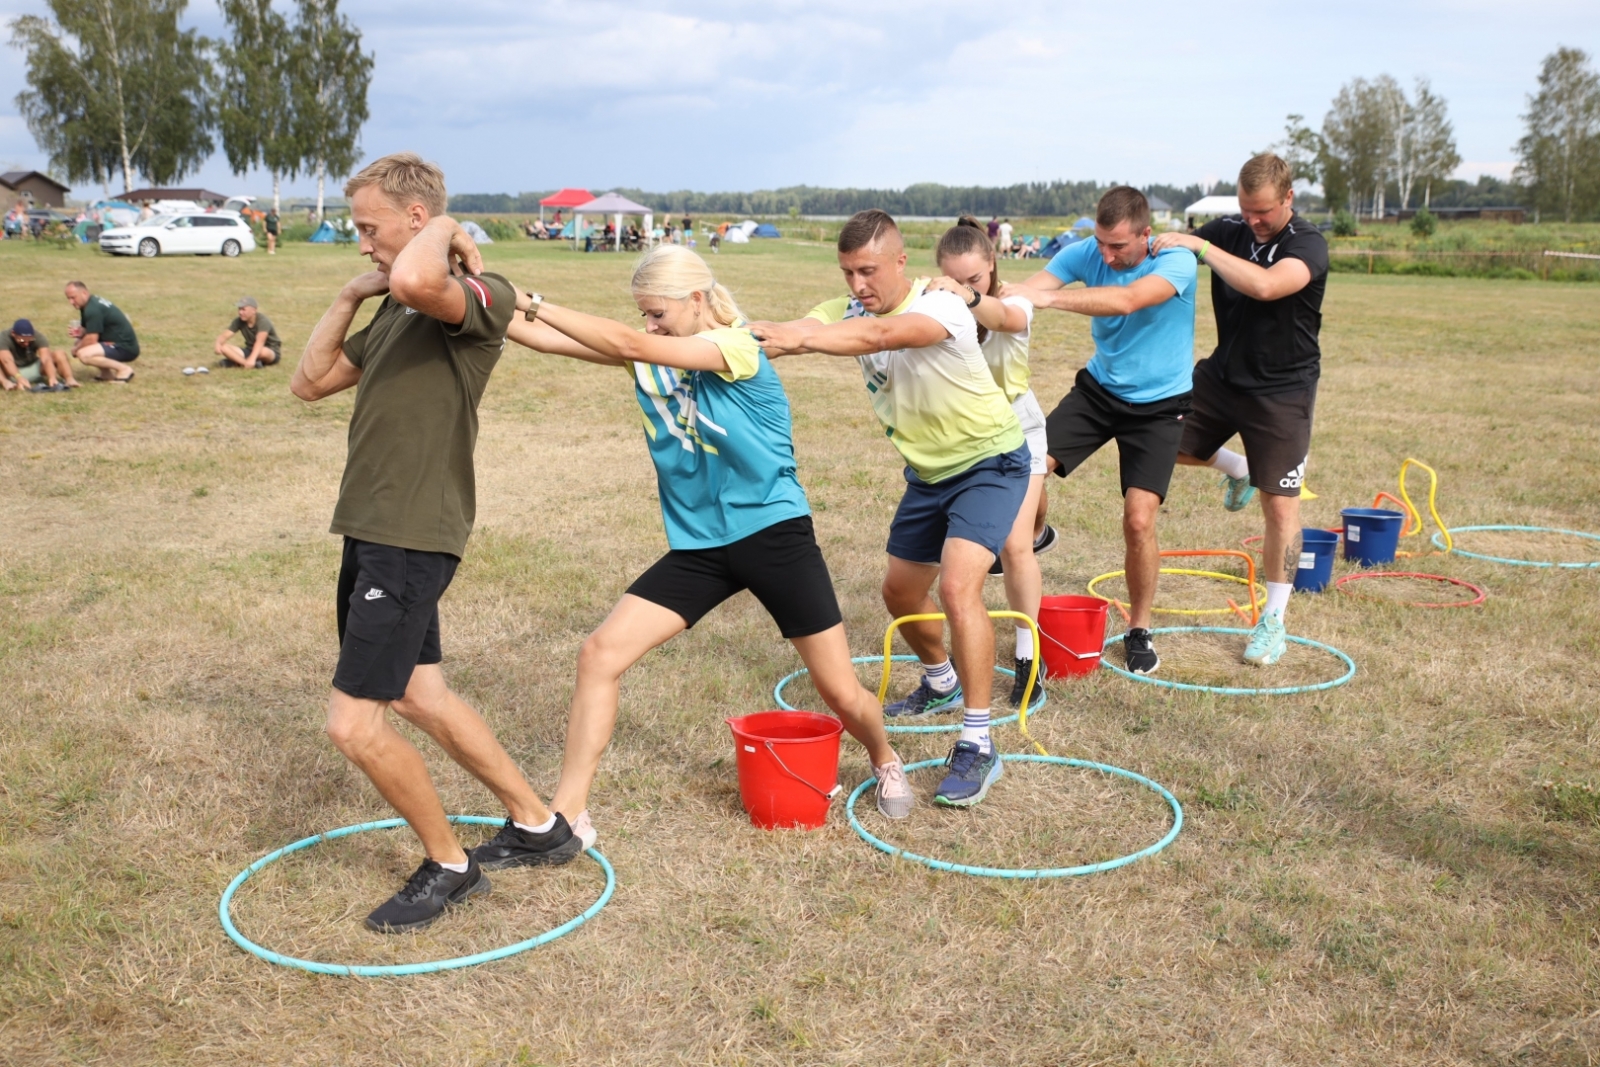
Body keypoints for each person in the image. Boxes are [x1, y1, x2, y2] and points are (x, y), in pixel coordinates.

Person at [504, 246, 913, 842]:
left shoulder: (738, 347)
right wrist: (469, 298)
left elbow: (628, 344)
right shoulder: (651, 355)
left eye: (659, 313)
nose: (650, 325)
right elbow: (541, 339)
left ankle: (884, 758)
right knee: (599, 655)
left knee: (839, 690)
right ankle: (569, 813)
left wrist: (531, 299)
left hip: (774, 534)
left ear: (696, 300)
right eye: (642, 315)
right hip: (700, 546)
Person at [289, 152, 579, 934]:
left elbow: (423, 280)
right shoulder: (389, 307)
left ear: (415, 220)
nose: (361, 243)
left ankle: (451, 864)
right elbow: (309, 381)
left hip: (411, 535)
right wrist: (352, 293)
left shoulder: (475, 294)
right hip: (375, 526)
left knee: (353, 723)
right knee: (421, 694)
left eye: (368, 228)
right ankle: (537, 824)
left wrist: (450, 225)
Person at [750, 210, 1029, 809]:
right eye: (848, 272)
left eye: (869, 271)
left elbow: (879, 337)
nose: (857, 286)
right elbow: (805, 325)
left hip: (990, 463)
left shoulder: (941, 306)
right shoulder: (847, 309)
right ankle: (941, 682)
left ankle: (978, 743)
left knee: (958, 590)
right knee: (901, 594)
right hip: (928, 474)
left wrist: (799, 339)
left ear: (902, 262)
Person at [1001, 186, 1197, 675]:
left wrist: (1047, 299)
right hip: (1099, 392)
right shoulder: (1085, 251)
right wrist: (972, 295)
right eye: (1101, 243)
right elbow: (1022, 292)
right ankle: (1039, 532)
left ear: (1145, 235)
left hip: (1159, 405)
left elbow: (1128, 300)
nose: (1106, 255)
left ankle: (1139, 629)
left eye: (1119, 247)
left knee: (1138, 519)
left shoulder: (1175, 261)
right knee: (1028, 465)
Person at [1152, 153, 1329, 666]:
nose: (1253, 221)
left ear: (1288, 199)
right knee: (1156, 441)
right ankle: (1238, 467)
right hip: (1222, 376)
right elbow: (1162, 252)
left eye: (1264, 213)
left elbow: (1267, 285)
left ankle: (1273, 619)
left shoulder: (1306, 244)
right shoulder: (1229, 228)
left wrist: (1202, 247)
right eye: (1246, 210)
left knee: (1280, 508)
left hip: (1284, 391)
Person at [928, 220, 1056, 707]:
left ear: (992, 267)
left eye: (974, 279)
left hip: (1020, 434)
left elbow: (1009, 320)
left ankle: (1029, 651)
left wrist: (969, 298)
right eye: (955, 279)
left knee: (1014, 546)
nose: (964, 287)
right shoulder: (937, 305)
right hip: (968, 442)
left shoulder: (1012, 301)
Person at [64, 282, 139, 383]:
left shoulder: (92, 309)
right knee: (79, 342)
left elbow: (91, 339)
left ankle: (124, 370)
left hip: (125, 347)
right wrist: (81, 333)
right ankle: (106, 374)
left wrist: (76, 349)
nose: (71, 302)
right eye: (68, 298)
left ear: (84, 293)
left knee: (83, 354)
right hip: (115, 341)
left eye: (73, 298)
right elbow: (91, 330)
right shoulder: (90, 303)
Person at [3, 319, 78, 391]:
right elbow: (7, 361)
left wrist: (52, 377)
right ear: (13, 334)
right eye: (22, 341)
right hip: (10, 372)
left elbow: (46, 359)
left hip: (34, 367)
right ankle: (5, 383)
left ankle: (69, 379)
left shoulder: (38, 336)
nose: (26, 343)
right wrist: (18, 377)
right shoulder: (3, 338)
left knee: (59, 354)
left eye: (29, 340)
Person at [214, 296, 283, 368]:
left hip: (269, 351)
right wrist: (217, 344)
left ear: (254, 310)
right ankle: (246, 363)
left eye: (243, 309)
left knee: (262, 352)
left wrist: (252, 358)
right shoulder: (239, 321)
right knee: (223, 347)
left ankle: (236, 362)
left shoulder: (263, 321)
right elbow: (224, 335)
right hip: (250, 350)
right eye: (239, 309)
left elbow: (260, 342)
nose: (240, 312)